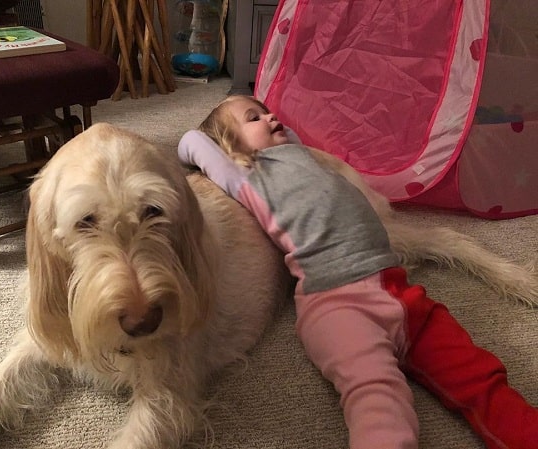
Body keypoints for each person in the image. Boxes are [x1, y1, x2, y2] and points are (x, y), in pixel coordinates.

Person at [177, 95, 538, 449]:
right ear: (228, 147)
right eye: (253, 117)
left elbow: (293, 143)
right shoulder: (247, 179)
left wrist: (264, 130)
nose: (271, 117)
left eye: (267, 112)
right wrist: (222, 141)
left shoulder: (306, 159)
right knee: (376, 398)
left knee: (477, 375)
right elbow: (192, 142)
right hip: (336, 303)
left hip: (399, 290)